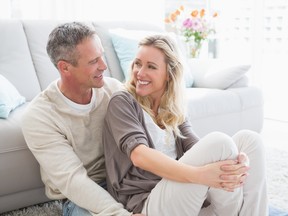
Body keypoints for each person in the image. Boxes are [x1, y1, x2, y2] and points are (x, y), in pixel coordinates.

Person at [102, 34, 268, 216]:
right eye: (137, 63)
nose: (140, 72)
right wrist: (200, 175)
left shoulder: (173, 108)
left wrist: (237, 162)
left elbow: (197, 148)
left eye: (151, 66)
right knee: (220, 143)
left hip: (188, 200)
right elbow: (139, 156)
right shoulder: (123, 101)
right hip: (149, 202)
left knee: (250, 141)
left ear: (169, 74)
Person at [21, 22, 143, 216]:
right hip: (81, 196)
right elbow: (74, 181)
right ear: (65, 68)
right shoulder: (39, 116)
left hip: (124, 181)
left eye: (101, 55)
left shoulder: (114, 91)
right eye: (94, 61)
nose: (104, 66)